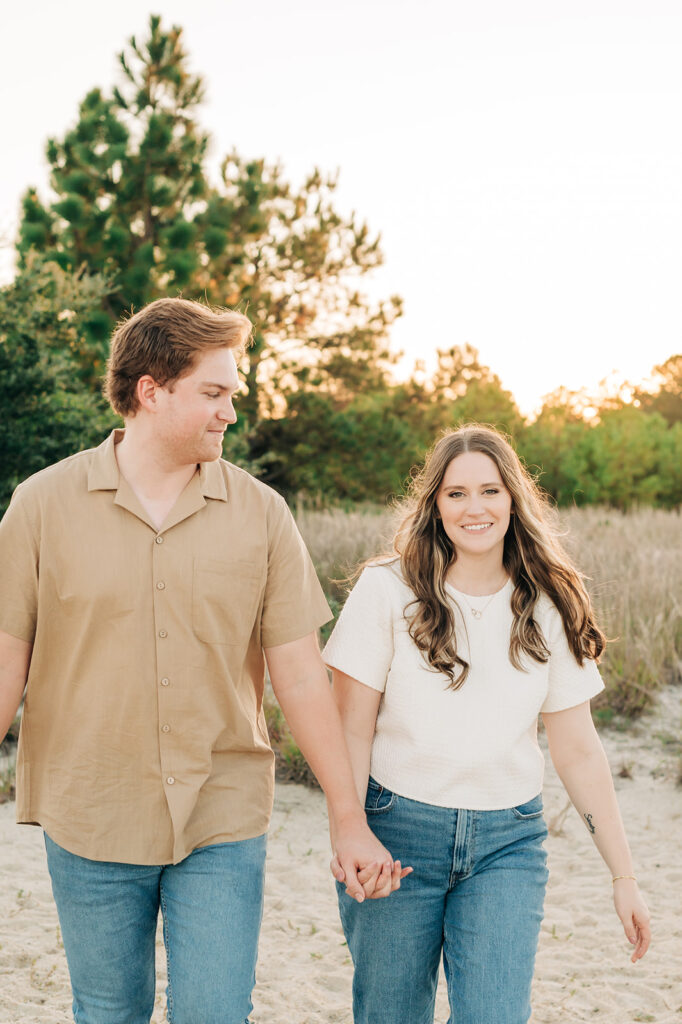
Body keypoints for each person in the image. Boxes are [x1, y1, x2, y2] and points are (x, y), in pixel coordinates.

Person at [0, 297, 398, 1024]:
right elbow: (5, 665)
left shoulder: (262, 515)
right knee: (108, 1012)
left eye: (232, 395)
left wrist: (348, 815)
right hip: (90, 809)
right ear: (151, 391)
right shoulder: (40, 506)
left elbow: (302, 676)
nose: (230, 414)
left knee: (216, 1012)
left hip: (221, 813)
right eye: (214, 394)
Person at [323, 424, 651, 1024]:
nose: (475, 508)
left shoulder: (550, 599)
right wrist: (350, 833)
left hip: (509, 842)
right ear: (435, 505)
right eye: (456, 494)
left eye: (490, 490)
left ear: (513, 499)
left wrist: (622, 874)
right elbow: (350, 727)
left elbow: (577, 749)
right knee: (390, 1013)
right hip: (396, 833)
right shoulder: (387, 588)